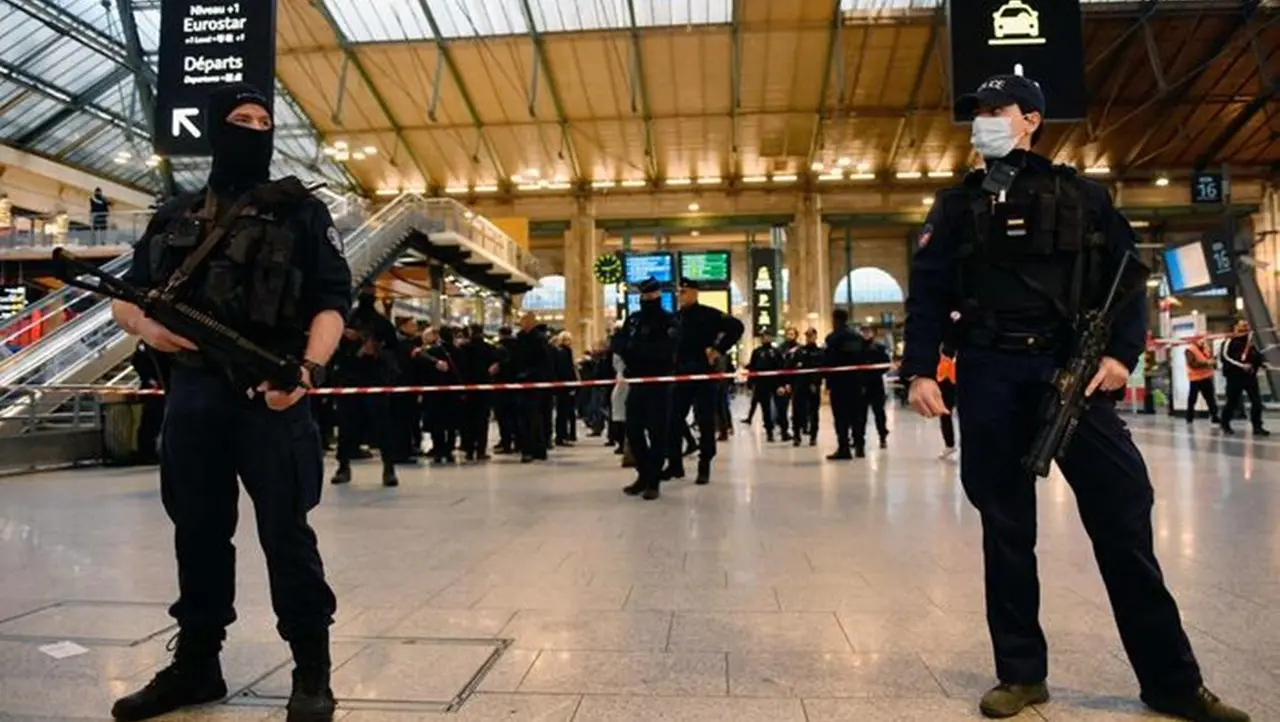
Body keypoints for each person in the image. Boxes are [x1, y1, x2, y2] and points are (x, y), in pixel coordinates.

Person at [901, 73, 1248, 721]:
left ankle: (1172, 681)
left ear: (1031, 118)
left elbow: (1128, 281)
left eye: (996, 109)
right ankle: (1022, 675)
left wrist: (1121, 354)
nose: (983, 120)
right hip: (989, 373)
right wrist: (921, 370)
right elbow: (926, 294)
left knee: (1124, 516)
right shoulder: (955, 208)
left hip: (1072, 372)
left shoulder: (1085, 196)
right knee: (1006, 530)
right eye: (977, 112)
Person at [108, 83, 348, 722]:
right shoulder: (174, 213)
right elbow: (125, 296)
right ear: (218, 130)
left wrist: (308, 370)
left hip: (272, 394)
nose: (254, 128)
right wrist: (147, 329)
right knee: (199, 534)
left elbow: (332, 301)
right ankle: (196, 665)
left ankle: (312, 671)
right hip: (192, 395)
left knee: (286, 535)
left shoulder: (301, 213)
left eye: (264, 120)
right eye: (241, 120)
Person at [666, 277, 744, 484]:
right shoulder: (675, 318)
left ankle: (704, 466)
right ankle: (675, 465)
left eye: (684, 292)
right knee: (673, 419)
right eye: (678, 292)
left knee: (705, 420)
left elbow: (737, 327)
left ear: (694, 293)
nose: (680, 296)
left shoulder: (710, 315)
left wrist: (719, 350)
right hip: (681, 374)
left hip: (703, 372)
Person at [613, 278, 678, 500]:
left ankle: (653, 481)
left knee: (658, 433)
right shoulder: (634, 319)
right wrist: (633, 351)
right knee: (633, 430)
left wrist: (635, 351)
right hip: (637, 383)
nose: (645, 299)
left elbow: (664, 352)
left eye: (648, 296)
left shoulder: (668, 320)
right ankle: (643, 474)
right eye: (642, 296)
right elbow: (618, 342)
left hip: (659, 384)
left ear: (657, 296)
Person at [331, 290, 399, 487]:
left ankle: (388, 467)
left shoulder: (381, 324)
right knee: (346, 426)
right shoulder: (347, 320)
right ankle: (343, 465)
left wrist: (376, 350)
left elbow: (394, 350)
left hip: (374, 379)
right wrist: (345, 338)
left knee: (382, 426)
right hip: (350, 378)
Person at [511, 313, 553, 462]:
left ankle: (530, 449)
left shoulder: (534, 340)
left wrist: (526, 374)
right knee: (532, 418)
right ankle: (536, 448)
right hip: (530, 383)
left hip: (532, 383)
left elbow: (542, 363)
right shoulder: (528, 339)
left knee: (530, 418)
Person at [824, 308, 865, 459]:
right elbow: (862, 359)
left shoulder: (833, 338)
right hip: (856, 382)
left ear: (835, 320)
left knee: (841, 417)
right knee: (857, 416)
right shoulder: (857, 337)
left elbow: (829, 360)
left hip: (839, 383)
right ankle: (860, 447)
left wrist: (826, 380)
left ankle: (844, 448)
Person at [1219, 319, 1269, 436]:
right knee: (1232, 402)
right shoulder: (1228, 341)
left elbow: (1255, 355)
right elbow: (1225, 357)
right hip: (1234, 377)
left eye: (1246, 326)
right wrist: (1242, 366)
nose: (1245, 327)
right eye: (1242, 325)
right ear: (1235, 327)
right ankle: (1225, 423)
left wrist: (1262, 363)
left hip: (1250, 377)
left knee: (1256, 402)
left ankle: (1257, 426)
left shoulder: (1250, 342)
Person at [131, 341, 171, 465]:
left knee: (160, 421)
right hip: (152, 391)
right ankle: (145, 452)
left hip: (163, 388)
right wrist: (149, 378)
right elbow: (137, 361)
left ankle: (155, 450)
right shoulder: (145, 345)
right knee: (150, 421)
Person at [853, 324, 891, 449]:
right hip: (860, 385)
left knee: (879, 413)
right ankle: (859, 439)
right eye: (863, 331)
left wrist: (876, 372)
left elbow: (886, 365)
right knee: (860, 415)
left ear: (872, 333)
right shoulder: (856, 349)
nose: (865, 334)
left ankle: (882, 436)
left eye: (868, 331)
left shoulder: (879, 348)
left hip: (875, 384)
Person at [786, 327, 823, 447]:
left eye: (811, 335)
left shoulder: (820, 352)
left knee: (814, 413)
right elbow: (790, 368)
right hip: (799, 385)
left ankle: (813, 436)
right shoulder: (799, 351)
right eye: (807, 336)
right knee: (797, 412)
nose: (809, 338)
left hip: (813, 387)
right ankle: (797, 436)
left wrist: (815, 382)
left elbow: (821, 370)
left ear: (815, 337)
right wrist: (789, 384)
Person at [746, 332, 782, 441]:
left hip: (775, 383)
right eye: (763, 337)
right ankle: (769, 431)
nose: (765, 338)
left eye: (767, 336)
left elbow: (781, 366)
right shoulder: (757, 352)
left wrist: (782, 383)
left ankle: (783, 429)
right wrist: (750, 381)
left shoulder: (776, 352)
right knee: (765, 408)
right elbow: (752, 368)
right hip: (762, 384)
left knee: (780, 406)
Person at [1184, 338, 1220, 426]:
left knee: (1210, 399)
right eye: (1200, 340)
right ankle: (1189, 417)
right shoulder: (1190, 350)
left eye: (1203, 340)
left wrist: (1212, 363)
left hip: (1206, 377)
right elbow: (1192, 364)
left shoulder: (1205, 348)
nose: (1202, 342)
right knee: (1192, 399)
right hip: (1195, 379)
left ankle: (1215, 416)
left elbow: (1209, 359)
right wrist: (1207, 363)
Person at [552, 331, 579, 446]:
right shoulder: (565, 352)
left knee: (563, 412)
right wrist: (572, 384)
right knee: (564, 412)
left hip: (561, 386)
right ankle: (562, 436)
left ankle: (563, 435)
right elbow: (567, 370)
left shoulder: (560, 352)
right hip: (565, 386)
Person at [774, 327, 799, 440]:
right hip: (783, 382)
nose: (790, 336)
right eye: (788, 334)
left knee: (798, 408)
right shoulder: (780, 350)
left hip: (797, 383)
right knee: (782, 408)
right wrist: (780, 384)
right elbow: (778, 366)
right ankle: (784, 431)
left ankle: (797, 429)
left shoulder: (800, 349)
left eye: (792, 334)